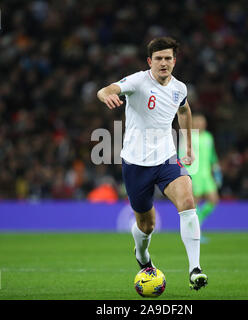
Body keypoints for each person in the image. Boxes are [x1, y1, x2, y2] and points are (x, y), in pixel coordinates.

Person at [97, 37, 207, 290]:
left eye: (168, 58)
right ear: (150, 62)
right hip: (135, 163)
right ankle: (142, 255)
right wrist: (106, 96)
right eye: (158, 58)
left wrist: (188, 144)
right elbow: (106, 89)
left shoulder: (180, 88)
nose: (163, 63)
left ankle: (195, 269)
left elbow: (184, 110)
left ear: (174, 61)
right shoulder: (137, 81)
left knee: (188, 201)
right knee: (146, 225)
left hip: (167, 158)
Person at [179, 114, 222, 243]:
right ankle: (194, 232)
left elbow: (212, 155)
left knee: (214, 200)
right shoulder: (188, 137)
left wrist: (217, 170)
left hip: (206, 175)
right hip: (194, 174)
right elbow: (182, 155)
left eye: (202, 122)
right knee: (194, 204)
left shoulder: (209, 137)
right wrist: (184, 172)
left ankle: (199, 222)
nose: (199, 124)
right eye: (197, 122)